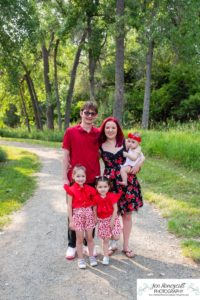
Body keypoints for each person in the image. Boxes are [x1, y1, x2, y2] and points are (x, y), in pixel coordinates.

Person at [98, 117, 145, 258]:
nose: (110, 130)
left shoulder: (125, 143)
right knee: (111, 214)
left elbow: (140, 156)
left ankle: (126, 246)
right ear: (104, 129)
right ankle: (112, 244)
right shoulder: (100, 146)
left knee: (127, 215)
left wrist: (138, 166)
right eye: (107, 127)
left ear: (117, 129)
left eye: (113, 127)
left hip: (127, 182)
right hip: (110, 185)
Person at [62, 101, 100, 260]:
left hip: (93, 179)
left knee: (91, 213)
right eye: (86, 112)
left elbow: (112, 149)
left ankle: (86, 243)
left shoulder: (99, 133)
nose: (89, 116)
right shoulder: (71, 132)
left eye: (92, 113)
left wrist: (137, 161)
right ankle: (72, 245)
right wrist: (65, 176)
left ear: (96, 116)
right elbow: (65, 155)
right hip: (75, 180)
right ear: (81, 113)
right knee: (75, 212)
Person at [64, 165, 97, 269]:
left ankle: (91, 256)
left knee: (90, 237)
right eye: (78, 176)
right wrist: (71, 220)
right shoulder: (71, 190)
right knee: (79, 239)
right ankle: (81, 259)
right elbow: (69, 206)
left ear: (86, 177)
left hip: (89, 215)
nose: (81, 178)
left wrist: (95, 215)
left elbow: (95, 203)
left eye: (83, 176)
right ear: (73, 176)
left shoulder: (90, 189)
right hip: (77, 216)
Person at [93, 176, 121, 266]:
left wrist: (112, 220)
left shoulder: (112, 196)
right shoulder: (96, 198)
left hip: (112, 218)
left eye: (105, 187)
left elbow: (115, 209)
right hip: (102, 221)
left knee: (116, 237)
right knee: (105, 240)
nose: (103, 189)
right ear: (96, 187)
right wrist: (95, 218)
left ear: (109, 187)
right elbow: (94, 209)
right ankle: (106, 256)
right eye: (100, 187)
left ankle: (113, 241)